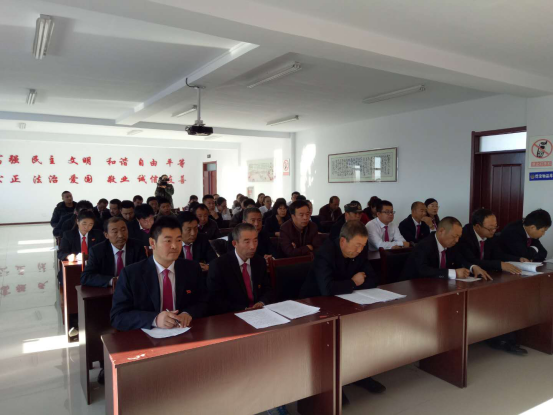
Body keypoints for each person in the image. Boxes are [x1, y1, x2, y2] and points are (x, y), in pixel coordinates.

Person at [300, 220, 385, 396]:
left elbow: (372, 280)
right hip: (315, 305)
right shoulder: (325, 253)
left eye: (363, 246)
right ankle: (333, 383)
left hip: (344, 300)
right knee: (333, 337)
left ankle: (360, 375)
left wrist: (347, 285)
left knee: (362, 330)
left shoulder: (359, 252)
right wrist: (353, 282)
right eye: (357, 245)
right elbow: (327, 289)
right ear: (343, 241)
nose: (360, 250)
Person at [111, 216, 209, 331]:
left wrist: (188, 313)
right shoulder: (131, 274)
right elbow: (118, 316)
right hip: (147, 336)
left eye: (178, 240)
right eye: (168, 241)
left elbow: (204, 302)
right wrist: (155, 319)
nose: (174, 246)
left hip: (184, 332)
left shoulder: (192, 268)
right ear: (152, 243)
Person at [207, 223, 273, 315]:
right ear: (235, 243)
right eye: (247, 242)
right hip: (232, 315)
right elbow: (216, 299)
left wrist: (261, 302)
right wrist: (243, 309)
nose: (253, 246)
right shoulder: (219, 265)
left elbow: (267, 289)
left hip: (259, 312)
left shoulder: (260, 261)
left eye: (255, 241)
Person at [401, 217, 491, 281]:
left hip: (437, 286)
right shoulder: (424, 245)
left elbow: (460, 259)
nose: (457, 240)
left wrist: (473, 267)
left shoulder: (452, 245)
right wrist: (454, 273)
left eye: (459, 237)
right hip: (412, 287)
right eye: (454, 236)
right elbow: (424, 270)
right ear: (441, 231)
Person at [81, 217, 147, 288]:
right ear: (106, 235)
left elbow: (145, 271)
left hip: (132, 288)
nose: (120, 235)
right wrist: (113, 281)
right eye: (115, 232)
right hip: (107, 291)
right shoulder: (97, 251)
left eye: (123, 230)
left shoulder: (137, 246)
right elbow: (86, 277)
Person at [458, 209, 525, 273]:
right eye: (490, 228)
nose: (494, 231)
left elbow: (498, 255)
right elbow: (472, 261)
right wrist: (499, 265)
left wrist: (518, 259)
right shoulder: (464, 236)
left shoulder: (491, 236)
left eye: (495, 227)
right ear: (478, 226)